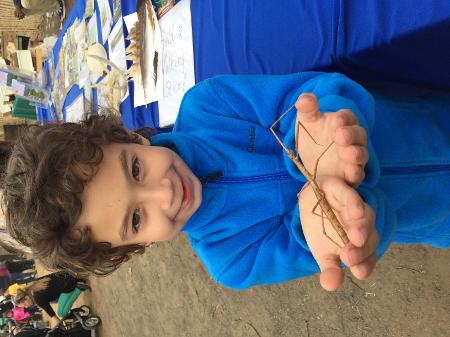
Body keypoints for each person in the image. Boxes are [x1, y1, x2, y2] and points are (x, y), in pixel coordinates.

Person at [1, 72, 450, 291]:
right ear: (130, 248)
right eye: (136, 219)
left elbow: (316, 92)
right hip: (435, 217)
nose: (164, 193)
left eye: (136, 169)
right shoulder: (233, 261)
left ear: (126, 135)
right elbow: (353, 238)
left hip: (427, 118)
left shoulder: (209, 103)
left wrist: (321, 127)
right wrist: (350, 227)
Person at [13, 271, 88, 325]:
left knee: (61, 313)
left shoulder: (38, 299)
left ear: (26, 297)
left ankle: (79, 288)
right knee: (56, 300)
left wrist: (61, 326)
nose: (27, 306)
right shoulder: (33, 285)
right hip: (66, 274)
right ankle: (76, 283)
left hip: (68, 283)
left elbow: (53, 316)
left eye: (25, 305)